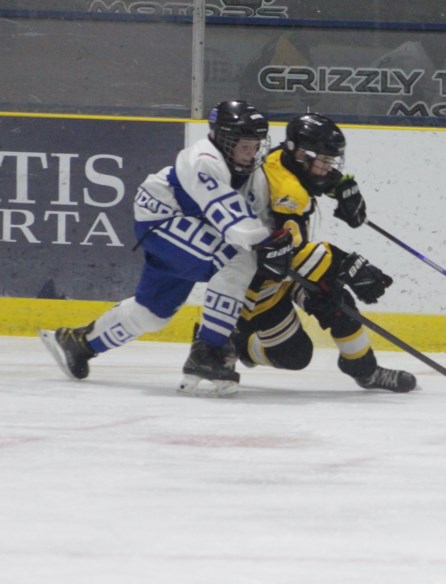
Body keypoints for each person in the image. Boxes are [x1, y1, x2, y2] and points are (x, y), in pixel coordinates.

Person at [40, 100, 293, 398]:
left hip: (195, 229)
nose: (251, 154)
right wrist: (265, 245)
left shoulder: (254, 175)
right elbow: (238, 225)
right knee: (237, 258)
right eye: (244, 146)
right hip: (162, 220)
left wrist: (277, 244)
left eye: (255, 146)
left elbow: (261, 219)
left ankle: (78, 344)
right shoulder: (203, 159)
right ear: (224, 140)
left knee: (153, 313)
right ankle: (207, 353)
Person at [233, 112, 416, 392]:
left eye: (330, 161)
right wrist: (347, 264)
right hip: (261, 280)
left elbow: (312, 177)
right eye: (322, 161)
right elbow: (289, 255)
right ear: (301, 154)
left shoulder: (281, 157)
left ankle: (363, 370)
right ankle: (234, 344)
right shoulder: (289, 194)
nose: (326, 167)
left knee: (338, 302)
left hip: (285, 268)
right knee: (294, 356)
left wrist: (340, 185)